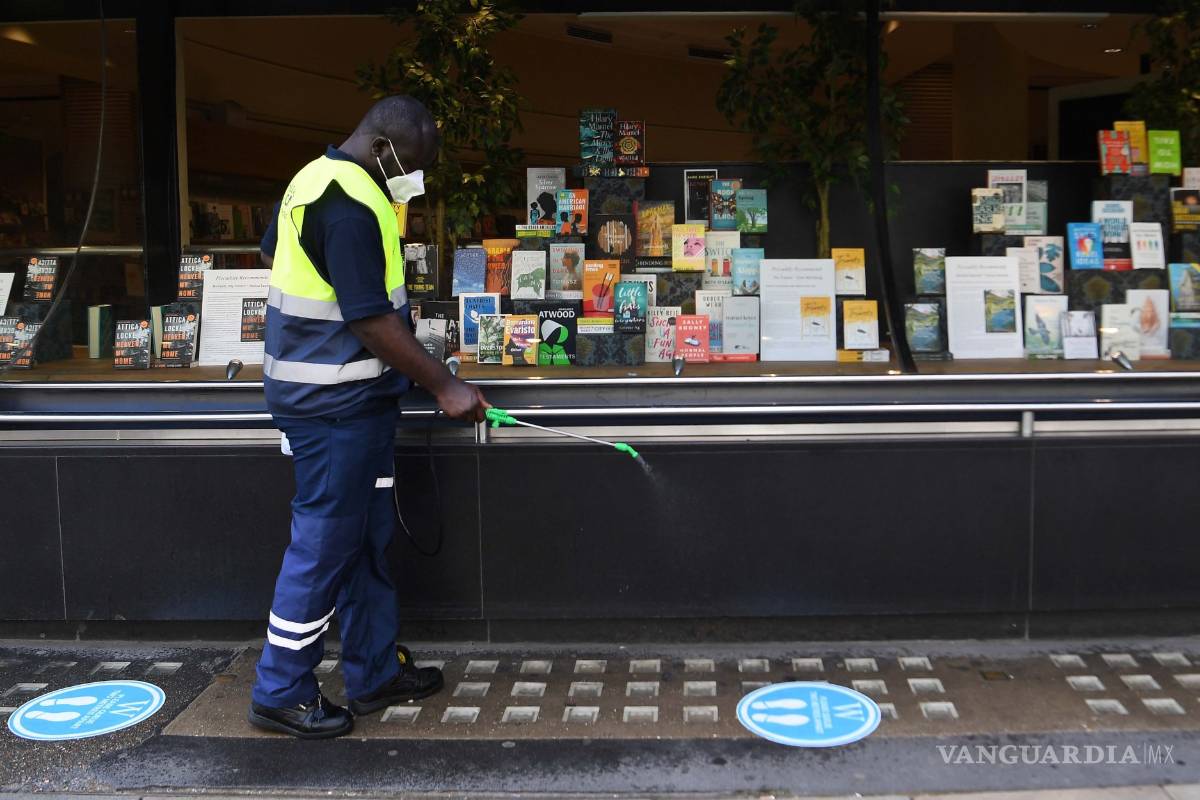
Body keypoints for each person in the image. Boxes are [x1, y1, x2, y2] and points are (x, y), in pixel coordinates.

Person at [250, 95, 489, 740]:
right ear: (384, 147)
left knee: (365, 535)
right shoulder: (350, 204)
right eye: (410, 164)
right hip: (331, 408)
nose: (413, 179)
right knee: (326, 541)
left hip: (358, 402)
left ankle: (373, 669)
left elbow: (275, 250)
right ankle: (280, 687)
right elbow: (368, 318)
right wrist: (444, 384)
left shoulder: (314, 179)